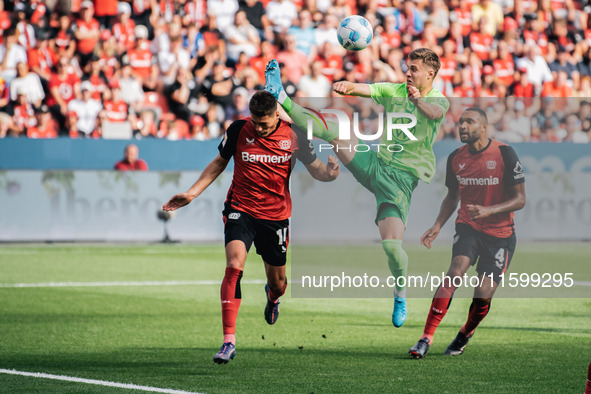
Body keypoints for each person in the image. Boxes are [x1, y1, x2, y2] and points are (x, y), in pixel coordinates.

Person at [264, 47, 450, 328]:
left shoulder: (439, 99)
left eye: (413, 69)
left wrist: (418, 101)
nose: (408, 73)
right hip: (374, 163)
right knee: (335, 125)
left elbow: (435, 114)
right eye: (407, 68)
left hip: (399, 183)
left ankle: (400, 294)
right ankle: (283, 100)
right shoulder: (394, 90)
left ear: (430, 74)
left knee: (391, 247)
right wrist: (345, 86)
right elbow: (362, 89)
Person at [162, 90, 340, 364]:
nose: (258, 128)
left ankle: (273, 296)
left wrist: (330, 174)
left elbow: (316, 169)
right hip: (240, 209)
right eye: (255, 122)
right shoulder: (238, 129)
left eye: (264, 124)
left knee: (278, 283)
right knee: (234, 266)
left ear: (276, 115)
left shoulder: (295, 136)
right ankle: (228, 341)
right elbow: (220, 162)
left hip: (275, 216)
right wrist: (191, 193)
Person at [408, 107, 526, 358]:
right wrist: (438, 225)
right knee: (454, 272)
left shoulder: (505, 153)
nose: (462, 126)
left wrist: (489, 210)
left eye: (469, 122)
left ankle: (465, 333)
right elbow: (453, 196)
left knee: (483, 294)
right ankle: (425, 338)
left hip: (501, 234)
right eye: (461, 122)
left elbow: (520, 199)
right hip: (469, 226)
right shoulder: (455, 158)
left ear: (484, 127)